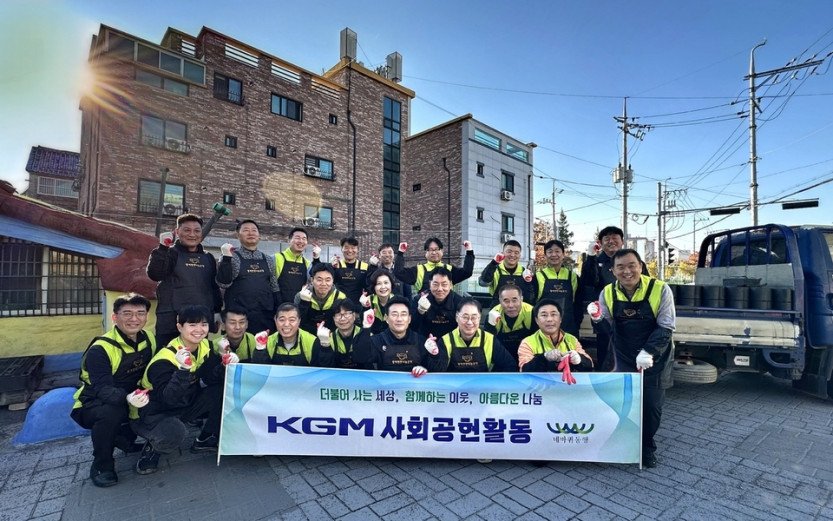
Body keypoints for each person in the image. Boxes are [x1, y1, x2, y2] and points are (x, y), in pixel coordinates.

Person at [589, 248, 675, 468]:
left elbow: (666, 326)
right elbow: (607, 330)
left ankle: (646, 448)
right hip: (623, 356)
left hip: (655, 357)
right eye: (620, 267)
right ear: (613, 271)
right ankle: (623, 441)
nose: (626, 271)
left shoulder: (660, 289)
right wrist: (597, 318)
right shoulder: (608, 292)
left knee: (651, 406)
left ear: (641, 266)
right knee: (621, 403)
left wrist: (649, 351)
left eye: (631, 265)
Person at [132, 305, 232, 475]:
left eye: (204, 324)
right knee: (175, 431)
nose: (199, 330)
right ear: (179, 327)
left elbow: (210, 379)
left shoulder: (205, 347)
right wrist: (183, 370)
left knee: (221, 389)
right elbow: (168, 399)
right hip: (153, 412)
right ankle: (152, 449)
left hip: (184, 403)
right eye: (192, 325)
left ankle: (205, 438)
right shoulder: (164, 360)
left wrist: (223, 363)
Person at [71, 293, 156, 487]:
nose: (134, 319)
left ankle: (124, 439)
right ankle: (102, 465)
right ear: (114, 317)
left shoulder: (149, 338)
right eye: (127, 313)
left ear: (146, 317)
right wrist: (129, 399)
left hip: (132, 396)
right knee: (111, 412)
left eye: (140, 313)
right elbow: (102, 388)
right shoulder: (100, 349)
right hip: (94, 403)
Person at [147, 214, 222, 348]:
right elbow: (155, 274)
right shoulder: (168, 253)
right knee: (169, 357)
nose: (192, 234)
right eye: (187, 230)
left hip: (200, 321)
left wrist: (216, 311)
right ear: (177, 232)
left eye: (197, 231)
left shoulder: (208, 257)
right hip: (171, 322)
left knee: (199, 356)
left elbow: (213, 286)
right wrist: (162, 248)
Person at [579, 226, 646, 370]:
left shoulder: (635, 262)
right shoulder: (595, 261)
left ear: (622, 241)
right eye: (607, 239)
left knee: (633, 355)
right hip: (605, 317)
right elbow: (587, 282)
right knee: (605, 355)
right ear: (600, 243)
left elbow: (646, 286)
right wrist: (591, 257)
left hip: (633, 316)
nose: (611, 241)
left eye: (615, 238)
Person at [352, 296, 444, 375]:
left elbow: (437, 370)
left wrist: (432, 358)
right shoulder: (377, 341)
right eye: (394, 314)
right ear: (386, 318)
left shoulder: (421, 341)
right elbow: (360, 357)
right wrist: (366, 327)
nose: (399, 319)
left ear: (409, 319)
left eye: (403, 314)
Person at [217, 220, 280, 334]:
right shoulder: (231, 256)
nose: (251, 233)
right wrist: (226, 258)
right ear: (238, 235)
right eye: (246, 230)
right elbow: (223, 283)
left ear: (259, 235)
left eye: (254, 230)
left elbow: (274, 286)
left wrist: (278, 310)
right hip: (239, 317)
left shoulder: (268, 259)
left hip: (265, 315)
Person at [435, 298, 517, 372]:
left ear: (479, 318)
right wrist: (433, 355)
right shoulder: (445, 341)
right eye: (465, 317)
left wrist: (492, 379)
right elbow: (437, 371)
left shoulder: (489, 339)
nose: (469, 322)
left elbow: (509, 365)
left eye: (474, 317)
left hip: (482, 383)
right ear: (457, 317)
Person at [518, 299, 593, 373]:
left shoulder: (571, 339)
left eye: (553, 314)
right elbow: (524, 370)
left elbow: (590, 366)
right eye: (544, 315)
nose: (549, 319)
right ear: (537, 320)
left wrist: (579, 359)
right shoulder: (527, 342)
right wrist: (544, 357)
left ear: (560, 319)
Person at [249, 303, 334, 366]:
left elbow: (323, 372)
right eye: (282, 320)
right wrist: (260, 349)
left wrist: (325, 346)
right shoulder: (267, 342)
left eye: (292, 320)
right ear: (275, 320)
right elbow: (260, 373)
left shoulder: (311, 341)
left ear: (299, 321)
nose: (286, 324)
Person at [394, 237, 475, 293]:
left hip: (447, 310)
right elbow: (398, 272)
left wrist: (469, 251)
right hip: (424, 311)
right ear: (425, 253)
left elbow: (467, 272)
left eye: (436, 249)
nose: (434, 252)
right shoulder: (418, 270)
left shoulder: (449, 269)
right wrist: (400, 253)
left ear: (442, 251)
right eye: (430, 250)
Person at [535, 239, 581, 336]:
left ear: (563, 254)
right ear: (545, 256)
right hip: (545, 329)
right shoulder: (538, 276)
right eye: (550, 252)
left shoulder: (572, 276)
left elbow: (577, 303)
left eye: (557, 251)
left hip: (568, 328)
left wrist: (577, 324)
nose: (554, 254)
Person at [483, 284, 538, 362]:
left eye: (514, 300)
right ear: (500, 301)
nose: (511, 305)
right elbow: (488, 343)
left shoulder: (532, 312)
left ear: (521, 299)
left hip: (527, 355)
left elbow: (538, 339)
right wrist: (491, 326)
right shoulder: (493, 315)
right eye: (506, 301)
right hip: (502, 356)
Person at [410, 267, 464, 340]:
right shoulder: (419, 299)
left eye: (444, 284)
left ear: (450, 285)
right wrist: (419, 312)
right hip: (425, 341)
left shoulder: (459, 302)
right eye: (435, 284)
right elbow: (412, 327)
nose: (440, 289)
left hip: (451, 342)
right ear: (430, 284)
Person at [295, 263, 347, 334]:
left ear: (333, 281)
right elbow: (297, 322)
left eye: (328, 280)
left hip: (330, 335)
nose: (323, 284)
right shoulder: (301, 295)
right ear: (312, 280)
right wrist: (304, 303)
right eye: (319, 280)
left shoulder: (340, 297)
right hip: (307, 335)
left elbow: (343, 323)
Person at [478, 240, 534, 305]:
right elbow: (483, 283)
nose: (512, 255)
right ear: (502, 253)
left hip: (519, 309)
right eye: (509, 252)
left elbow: (530, 296)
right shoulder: (494, 269)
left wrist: (529, 282)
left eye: (516, 253)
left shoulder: (525, 273)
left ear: (520, 255)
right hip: (498, 309)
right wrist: (493, 263)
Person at [324, 299, 373, 369]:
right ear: (334, 318)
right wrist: (325, 346)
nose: (342, 319)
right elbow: (325, 368)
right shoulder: (328, 339)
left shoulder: (367, 335)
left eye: (346, 314)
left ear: (354, 316)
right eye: (338, 315)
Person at [329, 237, 373, 305]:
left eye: (353, 248)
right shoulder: (336, 265)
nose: (350, 250)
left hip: (358, 306)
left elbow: (370, 288)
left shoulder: (365, 267)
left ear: (357, 250)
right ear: (341, 249)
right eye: (346, 247)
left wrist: (374, 267)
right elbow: (328, 284)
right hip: (339, 306)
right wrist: (331, 268)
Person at [275, 227, 312, 305]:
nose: (301, 241)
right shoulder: (276, 258)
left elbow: (311, 283)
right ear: (289, 240)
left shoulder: (308, 263)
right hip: (280, 306)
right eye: (297, 238)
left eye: (304, 239)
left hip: (299, 307)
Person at [363, 268, 395, 333]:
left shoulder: (397, 301)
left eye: (386, 283)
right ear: (374, 286)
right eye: (379, 283)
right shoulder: (368, 301)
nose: (383, 287)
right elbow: (364, 326)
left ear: (391, 284)